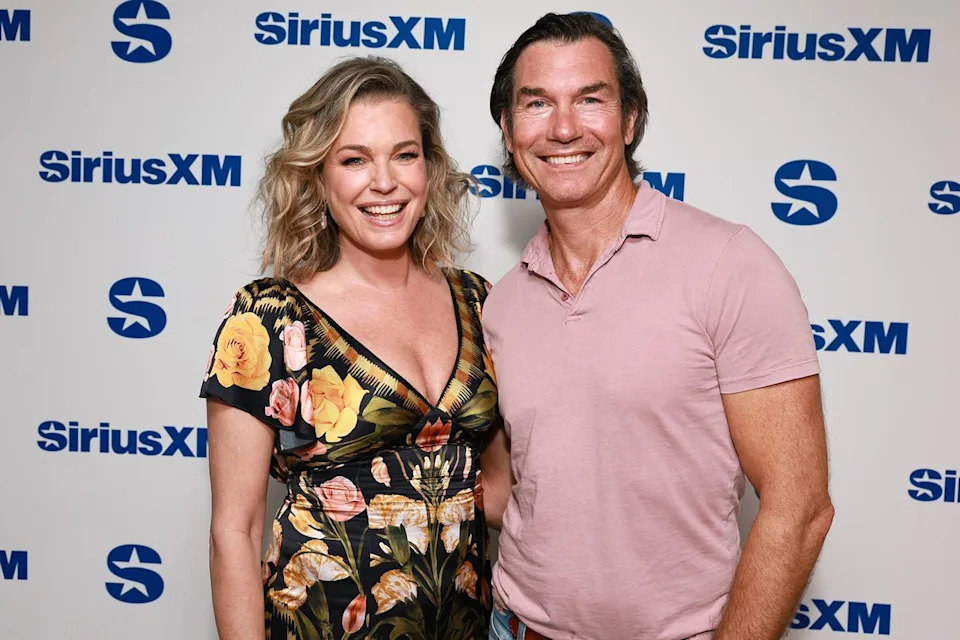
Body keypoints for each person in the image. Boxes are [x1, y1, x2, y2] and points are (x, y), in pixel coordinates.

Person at [479, 13, 834, 640]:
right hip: (514, 626)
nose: (563, 128)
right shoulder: (501, 304)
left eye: (591, 100)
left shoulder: (729, 265)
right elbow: (513, 494)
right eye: (537, 103)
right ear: (509, 132)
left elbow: (800, 506)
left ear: (631, 120)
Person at [200, 57, 498, 640]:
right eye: (354, 159)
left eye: (404, 155)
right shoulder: (269, 318)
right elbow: (235, 530)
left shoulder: (478, 301)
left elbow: (503, 493)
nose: (384, 182)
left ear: (430, 167)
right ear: (317, 177)